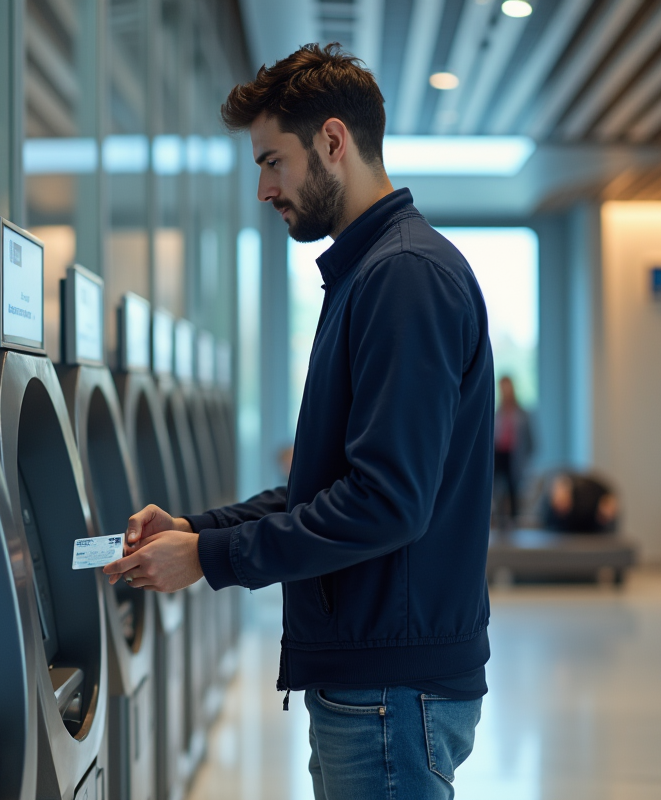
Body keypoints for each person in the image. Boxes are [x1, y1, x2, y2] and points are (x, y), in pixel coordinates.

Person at [103, 43, 493, 800]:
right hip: (378, 677)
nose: (264, 189)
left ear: (333, 141)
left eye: (272, 162)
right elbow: (331, 483)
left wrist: (211, 558)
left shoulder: (402, 277)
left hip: (389, 687)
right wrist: (195, 529)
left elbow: (386, 503)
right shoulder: (370, 274)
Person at [492, 376, 534, 528]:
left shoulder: (522, 414)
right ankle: (498, 519)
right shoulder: (497, 413)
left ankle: (514, 521)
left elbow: (530, 442)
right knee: (496, 488)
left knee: (513, 488)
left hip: (514, 456)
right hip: (498, 453)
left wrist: (524, 460)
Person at [541, 471, 618, 533]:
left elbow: (609, 499)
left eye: (562, 501)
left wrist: (605, 509)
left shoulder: (586, 493)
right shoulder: (547, 511)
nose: (560, 506)